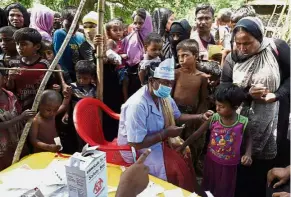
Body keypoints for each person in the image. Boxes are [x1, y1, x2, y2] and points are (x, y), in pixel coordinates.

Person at [117, 57, 213, 193]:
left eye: (171, 83)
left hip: (158, 142)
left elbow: (178, 116)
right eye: (165, 83)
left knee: (185, 154)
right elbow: (135, 143)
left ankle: (187, 191)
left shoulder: (163, 96)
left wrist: (200, 116)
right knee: (175, 168)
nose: (169, 87)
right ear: (151, 81)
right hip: (139, 149)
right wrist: (165, 133)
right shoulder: (137, 105)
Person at [220, 17, 290, 197]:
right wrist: (246, 94)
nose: (242, 48)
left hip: (274, 120)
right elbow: (223, 89)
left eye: (248, 43)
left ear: (260, 37)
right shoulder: (232, 58)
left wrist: (277, 95)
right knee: (241, 166)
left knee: (265, 170)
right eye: (238, 43)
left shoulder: (277, 48)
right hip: (239, 122)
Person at [179, 84, 252, 197]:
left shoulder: (243, 122)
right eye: (216, 105)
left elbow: (249, 139)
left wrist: (248, 154)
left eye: (221, 106)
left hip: (229, 165)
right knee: (208, 188)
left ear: (235, 106)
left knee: (224, 190)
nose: (217, 109)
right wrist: (182, 146)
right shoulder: (214, 118)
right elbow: (197, 133)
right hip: (211, 161)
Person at [173, 39, 208, 173]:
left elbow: (203, 99)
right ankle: (177, 167)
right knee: (176, 141)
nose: (181, 59)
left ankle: (191, 168)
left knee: (192, 143)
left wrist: (199, 118)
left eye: (185, 55)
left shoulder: (202, 77)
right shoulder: (177, 73)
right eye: (179, 56)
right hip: (176, 113)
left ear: (195, 55)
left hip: (193, 115)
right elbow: (169, 96)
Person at [0, 68, 36, 171]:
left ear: (3, 79)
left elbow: (18, 112)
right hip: (2, 147)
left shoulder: (10, 95)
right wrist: (21, 118)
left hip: (16, 140)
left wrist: (24, 118)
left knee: (19, 167)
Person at [6, 27, 50, 110]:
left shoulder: (44, 64)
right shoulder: (13, 63)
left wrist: (55, 87)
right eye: (17, 44)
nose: (19, 47)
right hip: (18, 106)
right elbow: (10, 89)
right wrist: (10, 78)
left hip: (39, 106)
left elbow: (50, 86)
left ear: (37, 46)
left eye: (23, 44)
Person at [62, 60, 96, 152]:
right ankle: (81, 152)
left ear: (91, 77)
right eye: (79, 77)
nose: (81, 80)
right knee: (79, 137)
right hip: (77, 118)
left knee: (90, 137)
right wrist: (66, 113)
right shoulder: (72, 87)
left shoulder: (95, 88)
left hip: (90, 118)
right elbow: (68, 102)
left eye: (85, 78)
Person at [123, 8, 153, 96]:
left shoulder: (152, 39)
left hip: (145, 72)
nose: (137, 26)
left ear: (147, 22)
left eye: (140, 23)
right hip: (130, 71)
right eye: (135, 23)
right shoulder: (131, 36)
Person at [53, 6, 85, 84]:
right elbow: (58, 59)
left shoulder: (81, 36)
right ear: (61, 20)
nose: (73, 25)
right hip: (66, 75)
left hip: (80, 76)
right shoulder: (59, 33)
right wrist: (65, 81)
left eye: (76, 21)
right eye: (69, 21)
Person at [106, 19, 129, 101]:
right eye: (115, 30)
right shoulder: (111, 41)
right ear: (109, 32)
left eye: (120, 30)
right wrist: (121, 56)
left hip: (124, 66)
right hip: (118, 68)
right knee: (125, 81)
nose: (118, 32)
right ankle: (125, 99)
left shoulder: (122, 41)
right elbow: (108, 53)